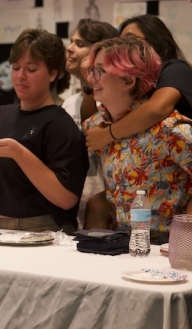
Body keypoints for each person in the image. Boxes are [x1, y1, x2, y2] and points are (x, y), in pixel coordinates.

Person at [84, 14, 192, 237]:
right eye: (91, 70)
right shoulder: (97, 125)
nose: (90, 79)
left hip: (165, 247)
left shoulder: (167, 130)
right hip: (118, 244)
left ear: (128, 81)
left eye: (100, 71)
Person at [0, 29, 88, 234]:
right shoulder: (1, 114)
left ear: (53, 73)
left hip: (38, 230)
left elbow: (66, 198)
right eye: (16, 67)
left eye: (32, 69)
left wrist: (19, 154)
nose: (20, 76)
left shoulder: (60, 124)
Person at [61, 18, 118, 228]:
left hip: (108, 210)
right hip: (76, 205)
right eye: (71, 41)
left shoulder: (114, 102)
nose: (70, 49)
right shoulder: (68, 103)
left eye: (80, 44)